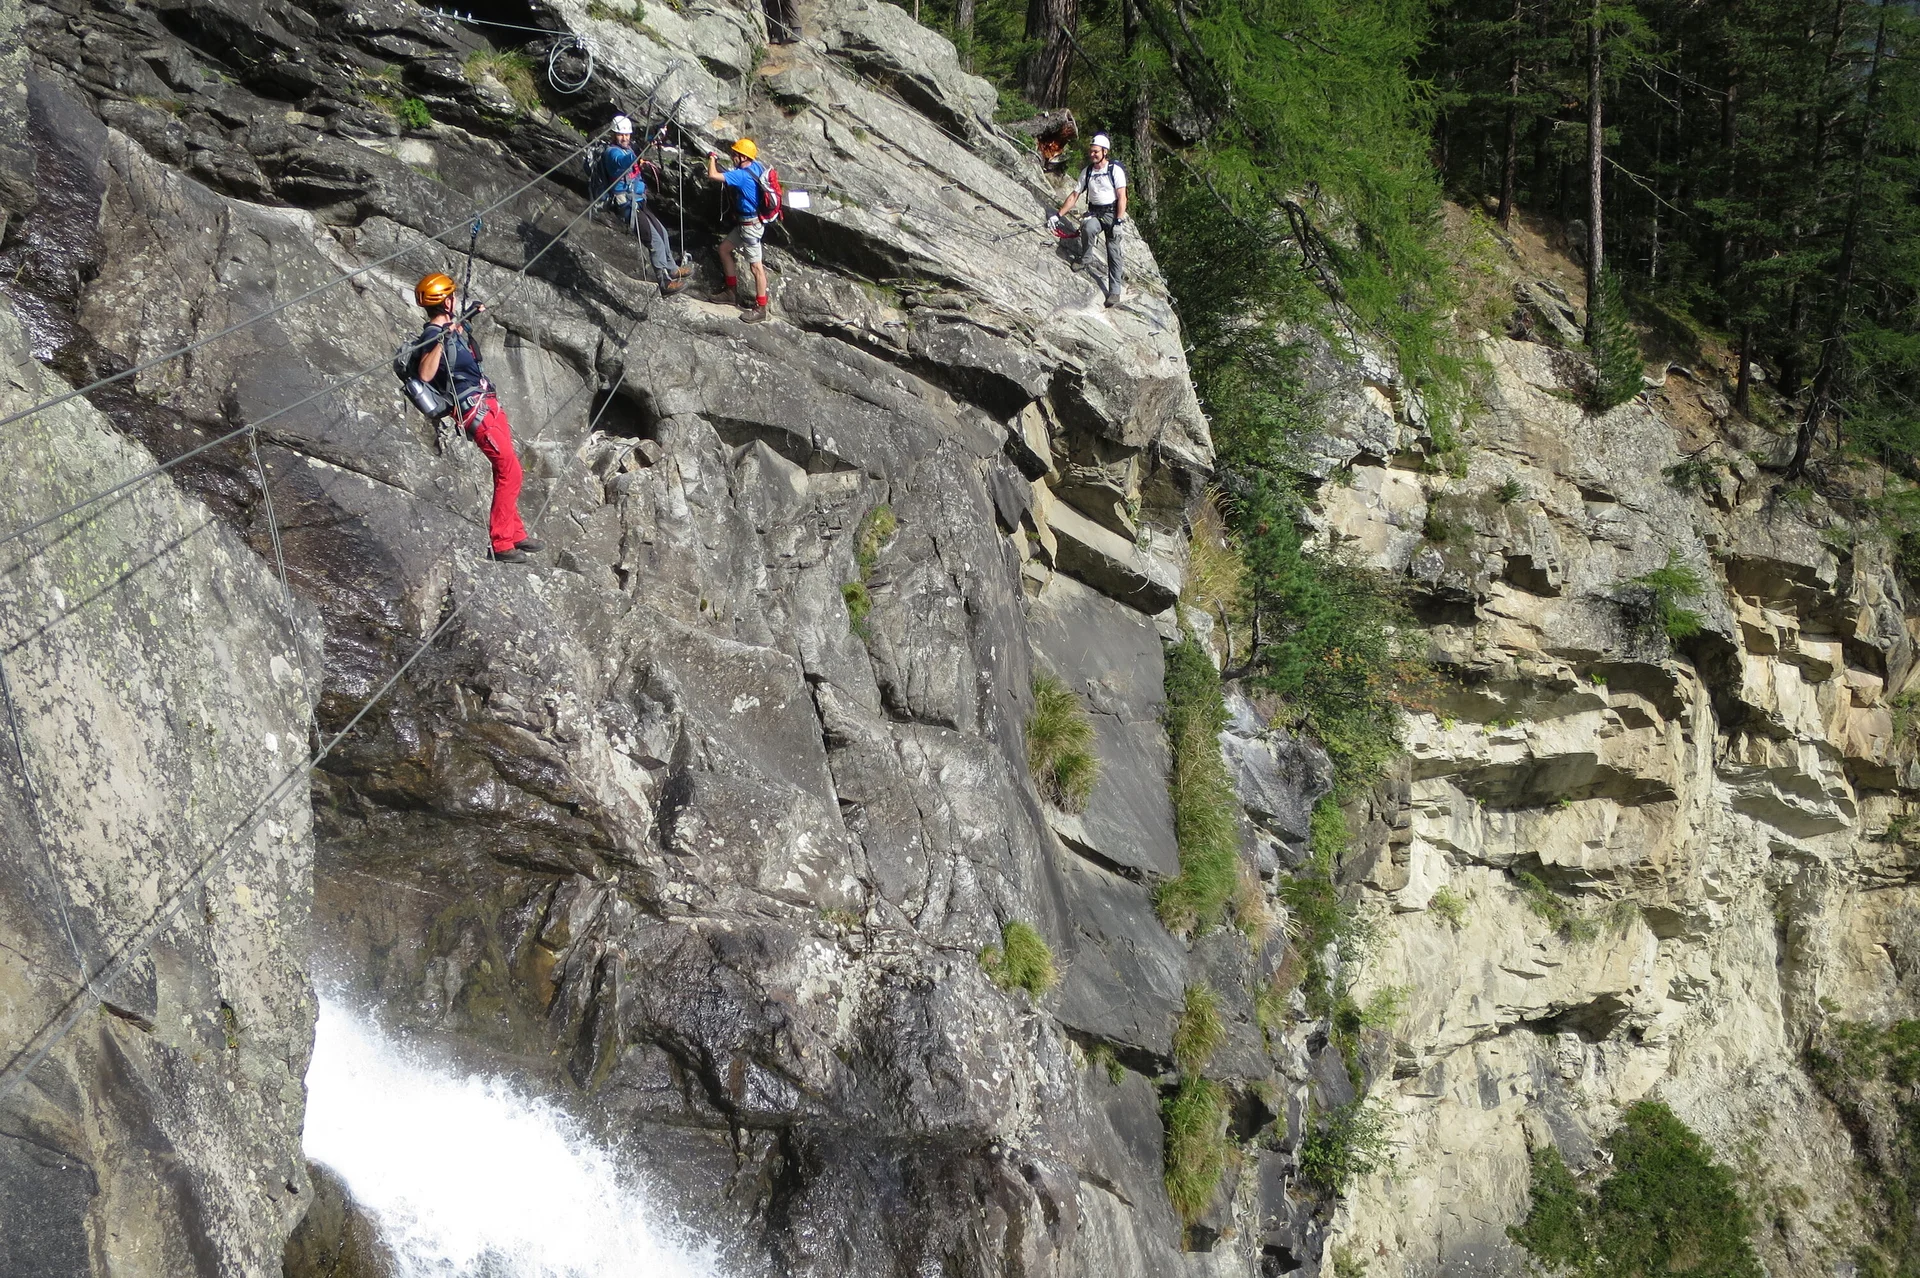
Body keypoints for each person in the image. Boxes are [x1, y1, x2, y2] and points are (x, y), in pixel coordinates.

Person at [411, 272, 541, 563]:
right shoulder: (433, 335)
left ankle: (516, 533)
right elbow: (425, 373)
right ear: (446, 300)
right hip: (475, 412)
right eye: (452, 296)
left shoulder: (450, 327)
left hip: (489, 405)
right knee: (511, 472)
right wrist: (441, 340)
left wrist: (466, 320)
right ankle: (501, 543)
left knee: (508, 469)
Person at [602, 114, 690, 297]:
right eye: (620, 135)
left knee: (663, 233)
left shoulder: (630, 148)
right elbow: (622, 162)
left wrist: (658, 132)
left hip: (639, 201)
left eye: (626, 135)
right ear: (613, 135)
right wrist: (641, 150)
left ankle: (672, 269)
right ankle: (664, 283)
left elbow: (645, 142)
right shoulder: (612, 153)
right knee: (654, 241)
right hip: (627, 205)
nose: (624, 138)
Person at [1056, 133, 1128, 308]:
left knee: (1113, 251)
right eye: (1091, 151)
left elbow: (1122, 197)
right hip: (1095, 212)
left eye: (1096, 152)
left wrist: (1118, 221)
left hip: (1111, 213)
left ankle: (1114, 291)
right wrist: (1058, 215)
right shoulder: (1087, 171)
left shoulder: (1115, 170)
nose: (1092, 154)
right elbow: (1074, 195)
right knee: (1088, 227)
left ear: (1105, 151)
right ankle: (1086, 258)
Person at [705, 138, 771, 324]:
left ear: (743, 157)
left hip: (750, 227)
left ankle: (761, 308)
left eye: (735, 154)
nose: (732, 156)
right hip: (746, 224)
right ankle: (731, 292)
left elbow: (713, 175)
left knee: (756, 267)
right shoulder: (756, 166)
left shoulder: (741, 176)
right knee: (724, 249)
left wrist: (712, 158)